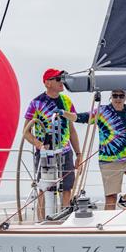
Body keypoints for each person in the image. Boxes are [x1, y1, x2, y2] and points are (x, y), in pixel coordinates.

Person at [65, 89, 126, 210]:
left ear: (125, 97)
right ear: (111, 97)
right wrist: (63, 113)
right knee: (111, 199)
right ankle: (107, 226)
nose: (118, 99)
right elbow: (79, 117)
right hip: (109, 162)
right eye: (115, 96)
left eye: (121, 96)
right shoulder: (102, 112)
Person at [23, 68, 81, 219]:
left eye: (62, 78)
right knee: (44, 189)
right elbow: (26, 132)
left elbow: (72, 129)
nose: (62, 82)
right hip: (45, 153)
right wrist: (39, 145)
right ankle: (43, 222)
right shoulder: (36, 103)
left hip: (65, 151)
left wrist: (78, 153)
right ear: (47, 83)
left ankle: (64, 221)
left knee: (67, 187)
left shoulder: (67, 101)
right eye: (58, 79)